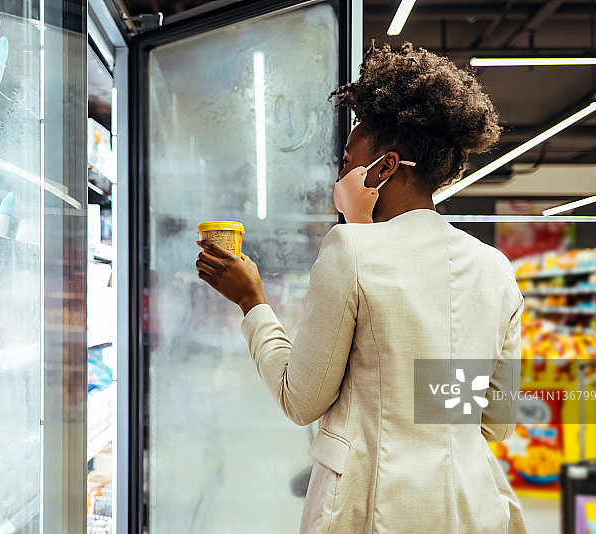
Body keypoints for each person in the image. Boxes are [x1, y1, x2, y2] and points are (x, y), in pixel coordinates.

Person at [195, 42, 526, 534]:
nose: (341, 173)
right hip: (470, 509)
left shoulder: (351, 251)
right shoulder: (494, 268)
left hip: (371, 508)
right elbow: (495, 420)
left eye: (348, 160)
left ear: (385, 168)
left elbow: (300, 399)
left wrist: (251, 301)